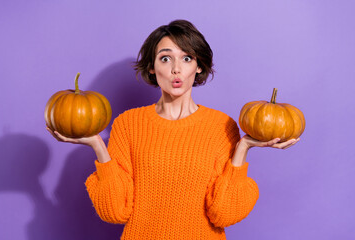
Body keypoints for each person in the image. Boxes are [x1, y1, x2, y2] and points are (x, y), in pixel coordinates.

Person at [47, 19, 300, 240]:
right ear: (152, 67)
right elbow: (115, 211)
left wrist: (243, 147)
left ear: (198, 66)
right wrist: (97, 145)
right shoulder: (128, 124)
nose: (176, 69)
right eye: (165, 58)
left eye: (187, 58)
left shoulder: (221, 125)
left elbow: (224, 214)